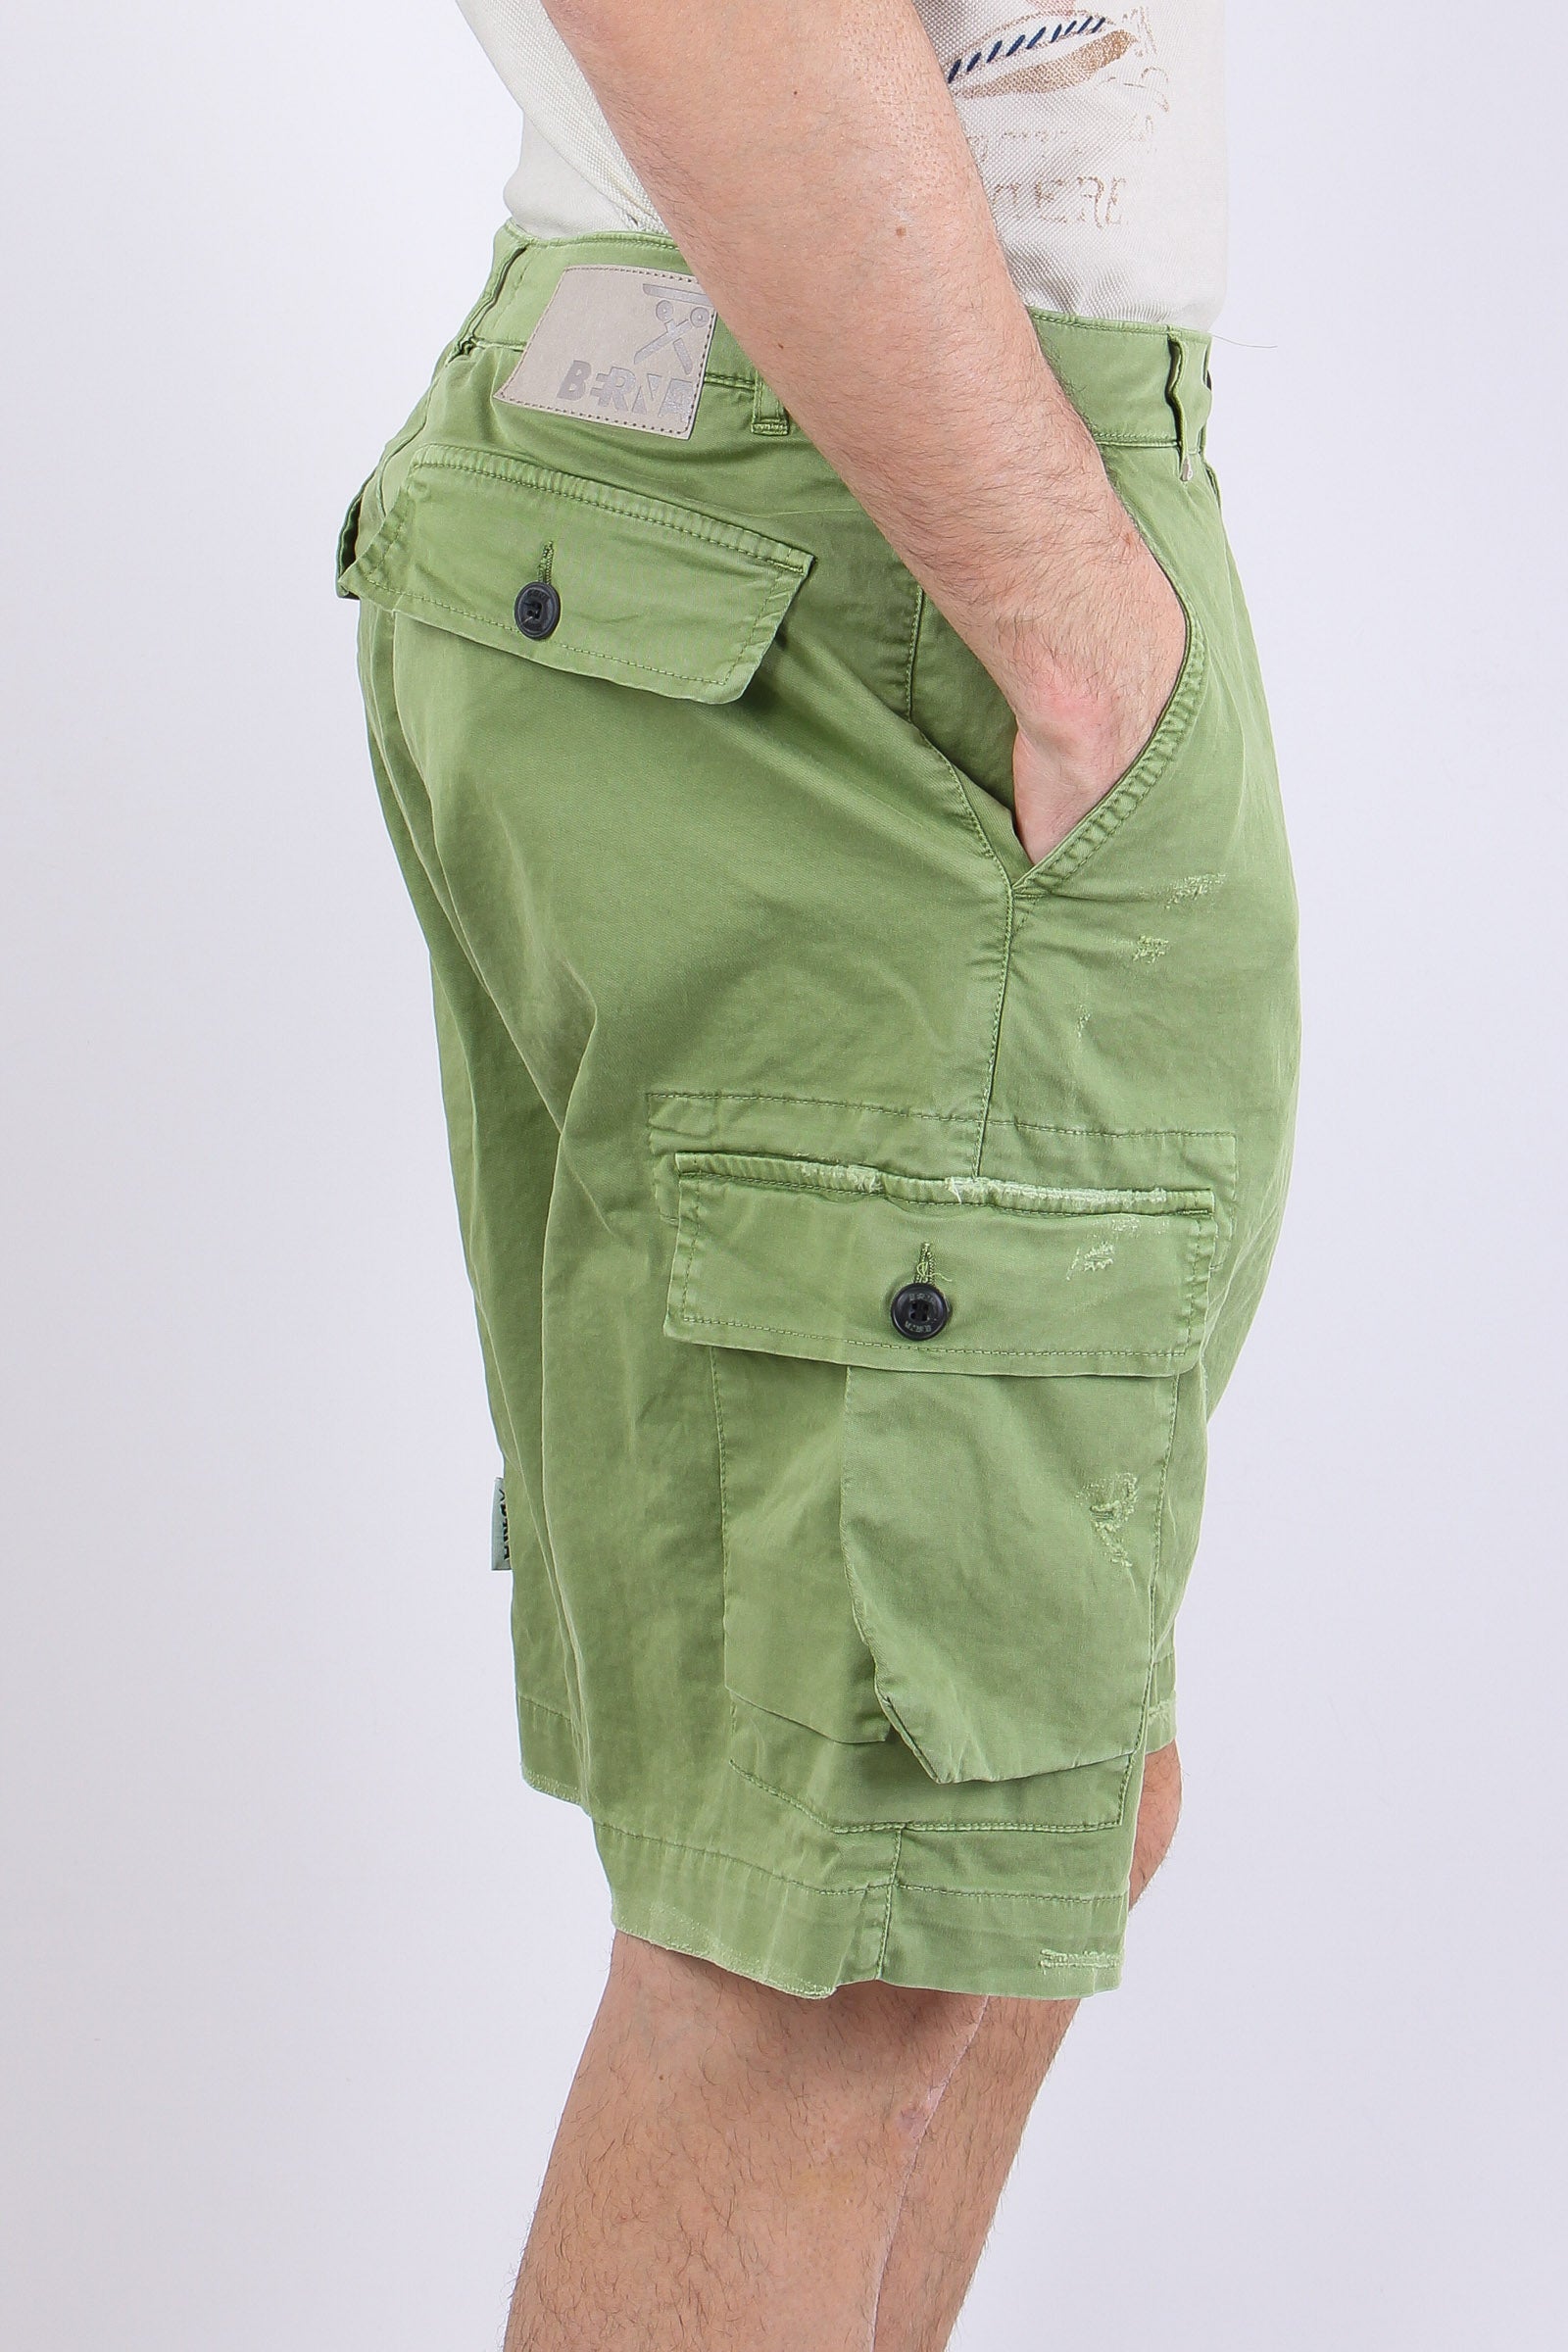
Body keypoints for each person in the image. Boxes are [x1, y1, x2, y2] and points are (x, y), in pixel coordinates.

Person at [335, 4, 1299, 2343]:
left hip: (761, 454)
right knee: (835, 1943)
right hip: (881, 510)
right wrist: (1068, 625)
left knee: (1015, 1829)